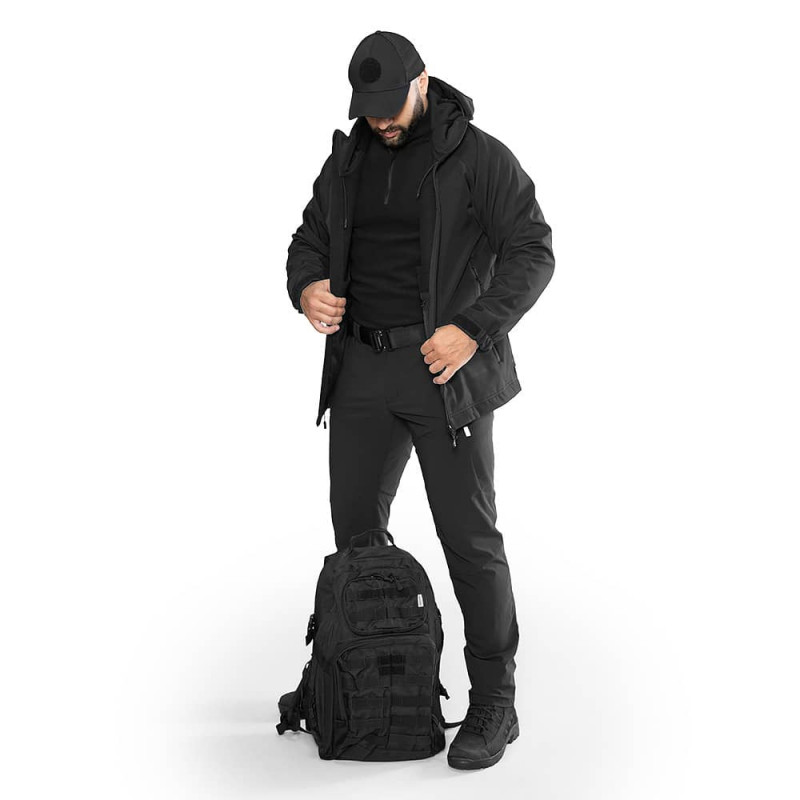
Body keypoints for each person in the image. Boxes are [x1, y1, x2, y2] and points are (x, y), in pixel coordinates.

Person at [285, 30, 555, 770]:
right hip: (361, 370)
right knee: (355, 537)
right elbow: (308, 239)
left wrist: (473, 328)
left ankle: (495, 700)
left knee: (469, 541)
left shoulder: (479, 157)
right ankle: (372, 683)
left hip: (444, 372)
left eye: (390, 104)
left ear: (423, 81)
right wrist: (306, 285)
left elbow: (534, 248)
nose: (380, 119)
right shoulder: (348, 160)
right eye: (367, 107)